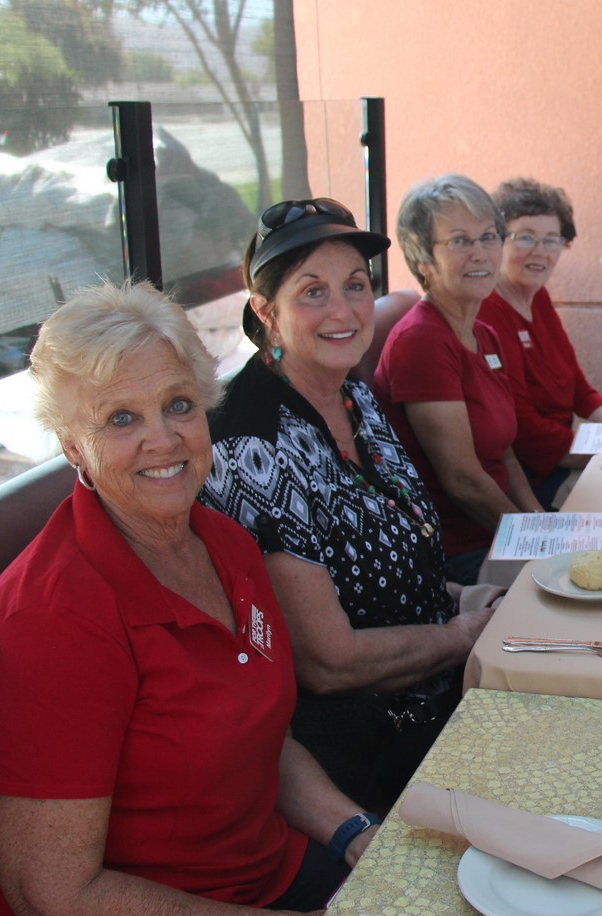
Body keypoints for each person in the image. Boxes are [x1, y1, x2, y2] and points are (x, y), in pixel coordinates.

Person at [0, 280, 374, 916]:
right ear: (72, 443)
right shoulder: (48, 622)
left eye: (178, 405)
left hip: (256, 880)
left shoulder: (226, 545)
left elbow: (263, 742)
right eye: (121, 418)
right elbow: (57, 900)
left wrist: (355, 831)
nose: (164, 439)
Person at [202, 197, 494, 814]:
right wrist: (462, 634)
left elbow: (389, 557)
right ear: (266, 312)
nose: (343, 310)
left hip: (439, 693)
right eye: (313, 292)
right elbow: (328, 662)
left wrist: (468, 597)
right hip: (361, 754)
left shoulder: (352, 394)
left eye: (355, 286)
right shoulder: (249, 444)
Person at [374, 174, 543, 583]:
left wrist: (540, 522)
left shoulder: (485, 334)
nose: (480, 253)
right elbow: (463, 481)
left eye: (488, 237)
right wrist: (534, 544)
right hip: (457, 552)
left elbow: (505, 456)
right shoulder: (422, 341)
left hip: (499, 532)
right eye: (459, 241)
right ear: (422, 260)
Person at [480, 177, 602, 509]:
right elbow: (524, 431)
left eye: (552, 239)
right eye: (526, 237)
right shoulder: (487, 312)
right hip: (535, 477)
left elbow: (578, 388)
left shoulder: (537, 297)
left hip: (565, 457)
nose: (541, 251)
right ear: (497, 241)